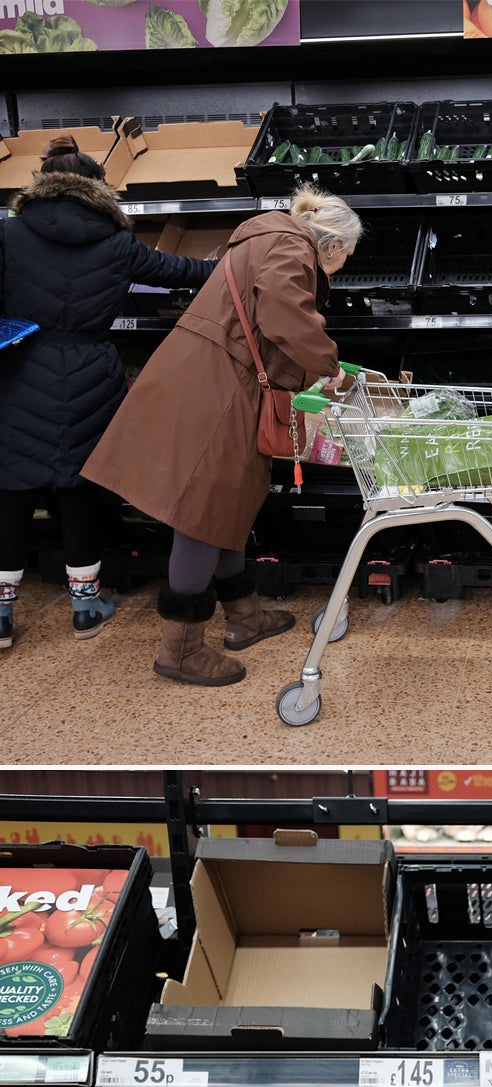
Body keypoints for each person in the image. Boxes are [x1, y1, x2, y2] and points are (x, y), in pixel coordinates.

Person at [85, 183, 356, 686]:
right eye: (344, 260)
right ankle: (180, 649)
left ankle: (243, 616)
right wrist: (327, 366)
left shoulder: (264, 237)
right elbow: (282, 313)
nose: (338, 271)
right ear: (333, 245)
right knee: (201, 511)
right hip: (216, 389)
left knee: (228, 500)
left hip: (208, 378)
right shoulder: (294, 246)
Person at [0, 134, 216, 652]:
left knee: (10, 490)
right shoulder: (117, 244)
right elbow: (182, 273)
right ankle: (86, 606)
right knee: (80, 489)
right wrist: (235, 263)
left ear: (41, 184)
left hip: (19, 368)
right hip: (91, 375)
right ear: (99, 188)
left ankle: (2, 615)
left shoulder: (8, 235)